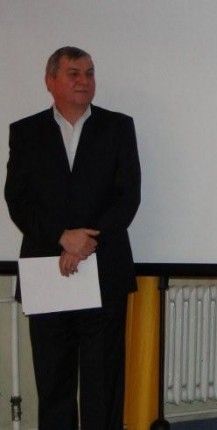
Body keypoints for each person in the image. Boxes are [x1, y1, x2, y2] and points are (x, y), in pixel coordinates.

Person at [5, 47, 141, 429]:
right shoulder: (26, 132)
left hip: (104, 271)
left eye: (90, 73)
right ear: (50, 80)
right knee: (54, 386)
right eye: (74, 73)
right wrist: (61, 238)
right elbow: (18, 200)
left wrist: (85, 243)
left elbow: (127, 197)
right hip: (47, 274)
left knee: (103, 387)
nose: (84, 81)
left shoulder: (118, 127)